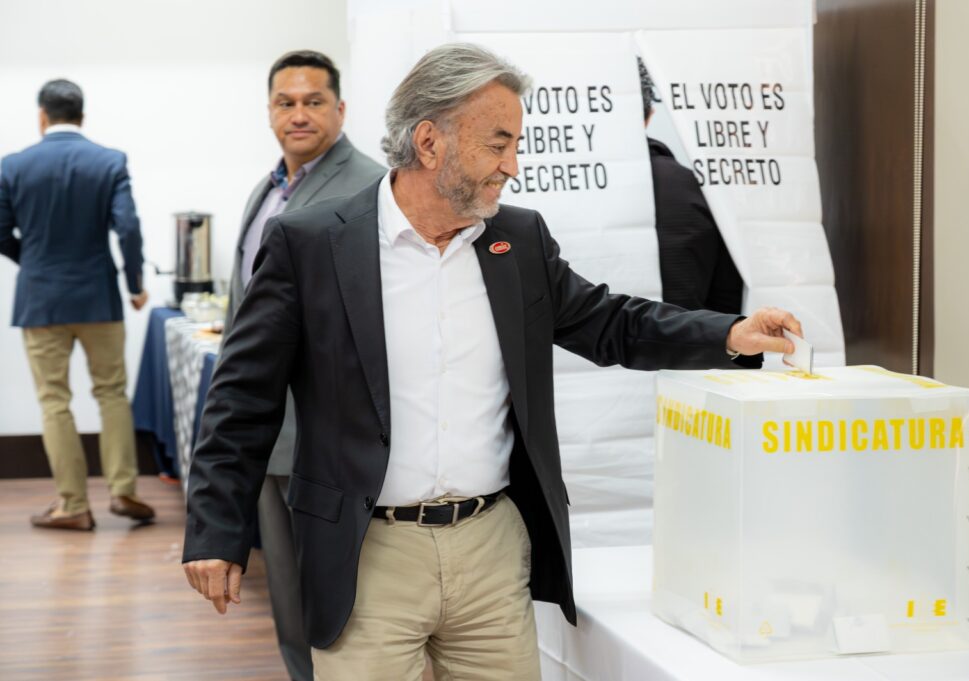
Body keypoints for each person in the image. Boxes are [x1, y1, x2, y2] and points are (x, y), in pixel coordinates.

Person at [182, 44, 801, 680]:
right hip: (365, 555)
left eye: (515, 145)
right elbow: (242, 399)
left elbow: (611, 322)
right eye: (497, 144)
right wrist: (215, 531)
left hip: (490, 551)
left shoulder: (519, 241)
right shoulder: (312, 244)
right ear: (430, 142)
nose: (513, 165)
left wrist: (730, 333)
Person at [224, 50, 384, 681]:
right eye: (285, 103)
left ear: (339, 109)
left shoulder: (368, 187)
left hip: (328, 435)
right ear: (269, 112)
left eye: (313, 101)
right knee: (288, 596)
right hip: (269, 430)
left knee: (340, 598)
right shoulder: (268, 189)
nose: (299, 114)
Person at [0, 79, 154, 531]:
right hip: (98, 296)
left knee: (54, 400)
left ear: (41, 116)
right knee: (111, 392)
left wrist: (33, 261)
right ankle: (123, 490)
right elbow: (128, 227)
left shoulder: (13, 165)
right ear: (82, 116)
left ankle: (72, 505)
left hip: (41, 300)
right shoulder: (109, 161)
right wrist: (135, 283)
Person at [638, 58, 745, 320]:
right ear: (649, 116)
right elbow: (727, 301)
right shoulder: (702, 190)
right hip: (688, 339)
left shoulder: (562, 191)